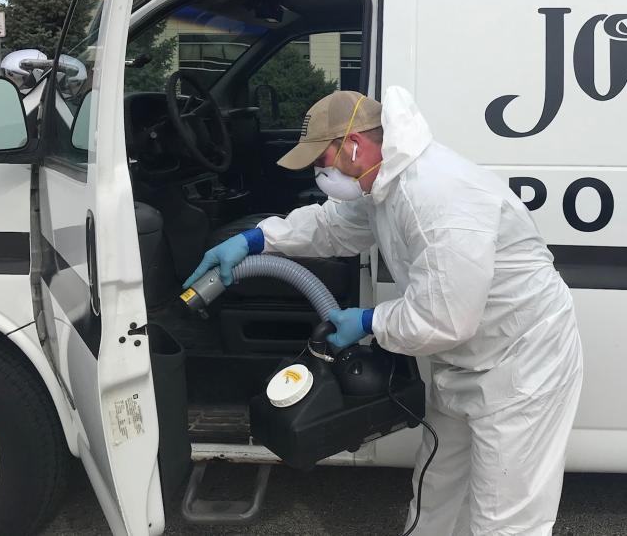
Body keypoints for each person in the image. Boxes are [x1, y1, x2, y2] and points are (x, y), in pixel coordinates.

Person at [183, 87, 584, 535]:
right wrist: (257, 240)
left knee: (505, 516)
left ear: (354, 144)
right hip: (467, 356)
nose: (320, 174)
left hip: (522, 363)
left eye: (321, 161)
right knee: (438, 487)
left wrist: (370, 321)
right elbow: (333, 225)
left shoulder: (438, 197)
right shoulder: (384, 183)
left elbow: (445, 318)